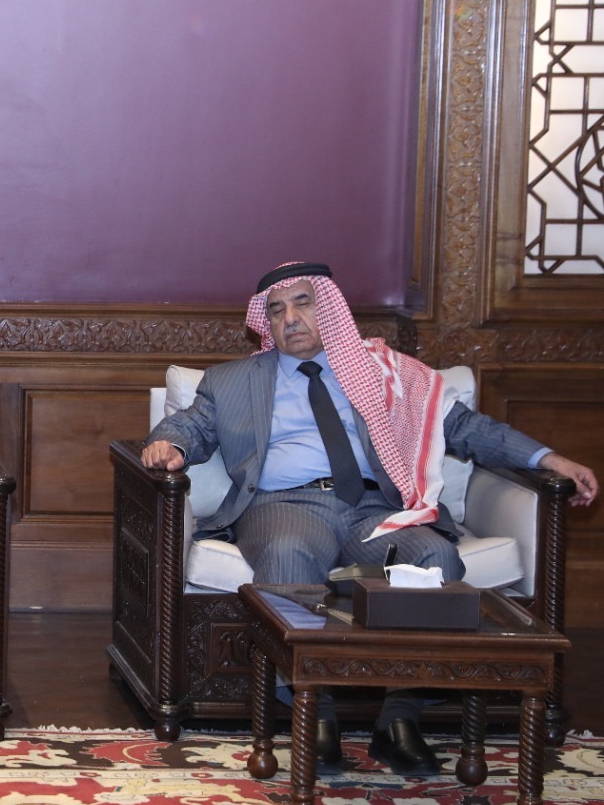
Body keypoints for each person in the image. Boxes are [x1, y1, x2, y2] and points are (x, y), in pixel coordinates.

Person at [144, 261, 597, 776]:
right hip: (285, 505)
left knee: (434, 556)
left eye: (303, 303)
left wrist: (548, 459)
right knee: (286, 554)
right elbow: (191, 426)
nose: (290, 318)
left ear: (331, 309)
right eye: (277, 310)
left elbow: (467, 429)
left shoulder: (386, 374)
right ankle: (317, 717)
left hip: (375, 509)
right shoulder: (231, 381)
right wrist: (169, 444)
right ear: (265, 322)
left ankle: (399, 720)